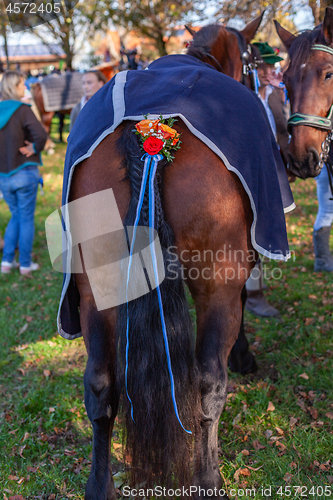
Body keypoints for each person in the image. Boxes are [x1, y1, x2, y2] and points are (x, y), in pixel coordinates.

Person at [245, 42, 289, 317]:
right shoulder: (245, 96)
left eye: (272, 66)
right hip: (251, 173)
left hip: (273, 172)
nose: (269, 71)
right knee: (249, 233)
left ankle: (252, 288)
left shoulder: (274, 94)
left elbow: (283, 129)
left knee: (261, 231)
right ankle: (252, 293)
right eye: (263, 66)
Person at [0, 70, 47, 275]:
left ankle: (6, 262)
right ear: (13, 87)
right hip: (24, 171)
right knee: (25, 218)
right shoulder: (23, 110)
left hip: (3, 177)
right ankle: (25, 264)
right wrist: (34, 149)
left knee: (16, 216)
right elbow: (41, 135)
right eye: (21, 84)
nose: (25, 87)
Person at [312, 159, 333, 272]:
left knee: (326, 212)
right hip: (327, 164)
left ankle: (322, 261)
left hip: (323, 163)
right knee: (326, 212)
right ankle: (322, 261)